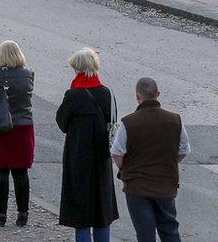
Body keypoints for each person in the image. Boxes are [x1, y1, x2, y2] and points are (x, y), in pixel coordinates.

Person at [111, 77, 190, 242]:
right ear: (158, 94)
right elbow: (184, 149)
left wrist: (126, 170)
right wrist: (170, 163)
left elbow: (117, 152)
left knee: (145, 233)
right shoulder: (175, 120)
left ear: (137, 96)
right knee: (169, 230)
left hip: (137, 186)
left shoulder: (129, 122)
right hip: (165, 184)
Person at [56, 48, 119, 242]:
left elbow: (62, 123)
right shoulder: (106, 93)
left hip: (78, 158)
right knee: (102, 213)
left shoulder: (73, 95)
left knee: (81, 215)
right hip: (101, 158)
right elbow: (113, 122)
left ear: (77, 69)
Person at [0, 41, 35, 227]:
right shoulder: (28, 74)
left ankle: (1, 215)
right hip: (23, 126)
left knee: (0, 171)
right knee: (21, 172)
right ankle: (23, 215)